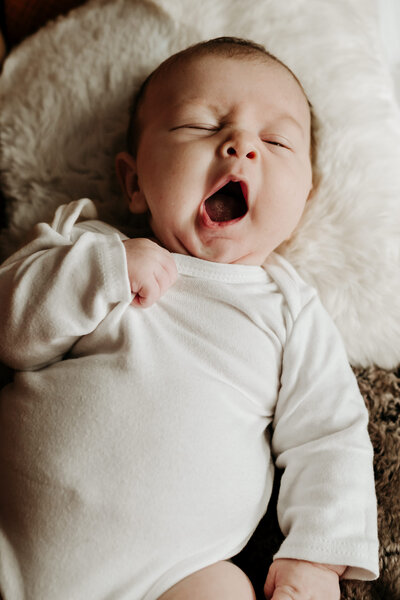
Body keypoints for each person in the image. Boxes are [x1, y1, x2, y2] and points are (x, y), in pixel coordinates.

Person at [0, 37, 379, 600]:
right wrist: (101, 271)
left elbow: (330, 436)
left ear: (303, 199)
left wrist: (316, 558)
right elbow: (12, 332)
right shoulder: (87, 246)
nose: (240, 145)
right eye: (200, 127)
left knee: (225, 588)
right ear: (133, 182)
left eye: (275, 141)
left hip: (172, 577)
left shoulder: (288, 309)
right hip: (12, 545)